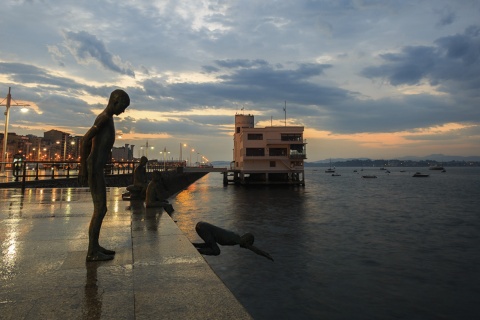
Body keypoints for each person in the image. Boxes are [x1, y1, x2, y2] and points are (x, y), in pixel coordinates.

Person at [79, 89, 130, 261]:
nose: (123, 111)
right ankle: (92, 252)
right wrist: (83, 169)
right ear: (115, 102)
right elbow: (85, 141)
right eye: (123, 106)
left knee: (101, 209)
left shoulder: (108, 119)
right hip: (94, 168)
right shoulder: (104, 118)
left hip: (97, 168)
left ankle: (95, 246)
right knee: (100, 209)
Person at [193, 221, 274, 261]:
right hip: (203, 228)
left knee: (212, 246)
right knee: (216, 251)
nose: (246, 246)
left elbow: (210, 243)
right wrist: (266, 255)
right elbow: (254, 249)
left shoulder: (236, 236)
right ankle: (195, 252)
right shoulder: (237, 239)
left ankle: (193, 247)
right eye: (247, 243)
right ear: (246, 240)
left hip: (202, 225)